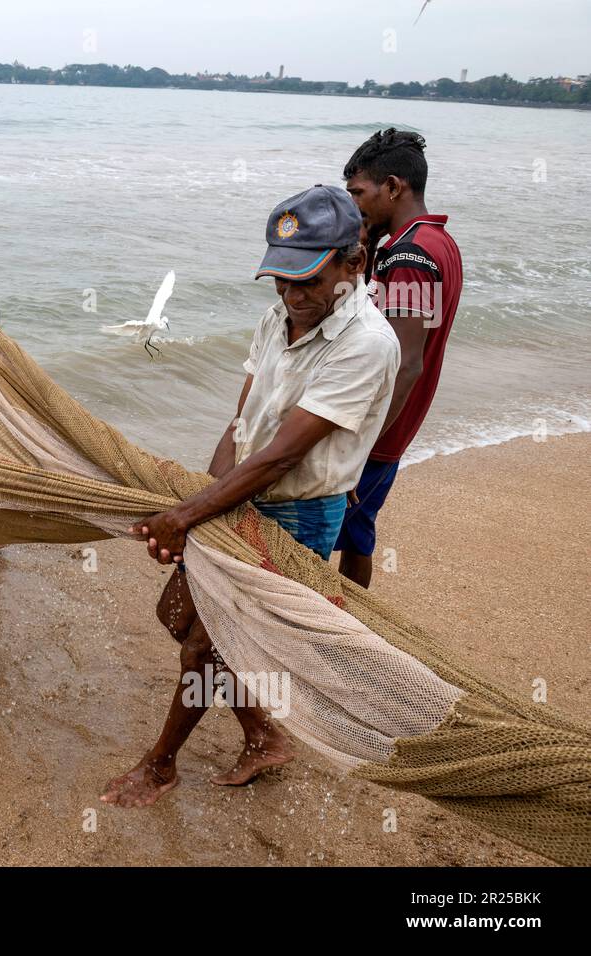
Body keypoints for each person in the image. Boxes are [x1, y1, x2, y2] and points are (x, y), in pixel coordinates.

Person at [100, 185, 400, 808]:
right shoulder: (282, 316)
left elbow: (285, 455)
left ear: (354, 264)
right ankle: (263, 734)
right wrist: (208, 498)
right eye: (281, 280)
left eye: (308, 281)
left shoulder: (365, 343)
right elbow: (242, 424)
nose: (292, 296)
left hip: (298, 511)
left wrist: (185, 516)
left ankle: (160, 767)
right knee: (179, 616)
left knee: (204, 642)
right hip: (242, 494)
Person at [335, 129, 463, 588]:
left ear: (393, 187)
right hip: (394, 425)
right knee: (356, 535)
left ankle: (338, 636)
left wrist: (360, 445)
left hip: (379, 430)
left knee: (334, 529)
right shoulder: (437, 241)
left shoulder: (411, 257)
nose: (354, 206)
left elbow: (408, 361)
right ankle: (351, 634)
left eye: (359, 193)